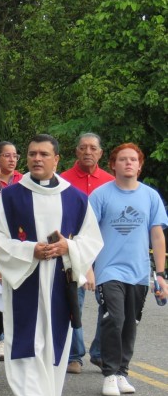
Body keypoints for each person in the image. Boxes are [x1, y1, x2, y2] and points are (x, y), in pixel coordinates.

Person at [0, 134, 103, 396]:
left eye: (43, 154)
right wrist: (29, 251)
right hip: (25, 276)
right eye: (32, 153)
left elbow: (92, 239)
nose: (36, 159)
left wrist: (69, 249)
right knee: (25, 339)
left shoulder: (75, 197)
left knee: (52, 342)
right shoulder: (11, 195)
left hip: (59, 282)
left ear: (56, 159)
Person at [89, 143, 168, 396]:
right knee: (114, 318)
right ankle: (110, 374)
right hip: (109, 269)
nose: (128, 163)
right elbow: (87, 234)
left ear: (140, 164)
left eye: (133, 159)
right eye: (123, 159)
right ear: (113, 164)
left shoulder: (150, 196)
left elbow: (157, 236)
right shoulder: (101, 195)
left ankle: (123, 372)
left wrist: (161, 274)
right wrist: (88, 268)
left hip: (138, 271)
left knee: (130, 323)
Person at [60, 133, 114, 374]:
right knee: (75, 302)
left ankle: (100, 351)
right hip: (74, 249)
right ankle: (74, 354)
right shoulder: (63, 180)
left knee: (110, 303)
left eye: (93, 148)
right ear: (76, 151)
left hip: (105, 251)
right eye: (83, 148)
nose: (88, 152)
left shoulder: (111, 181)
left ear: (101, 153)